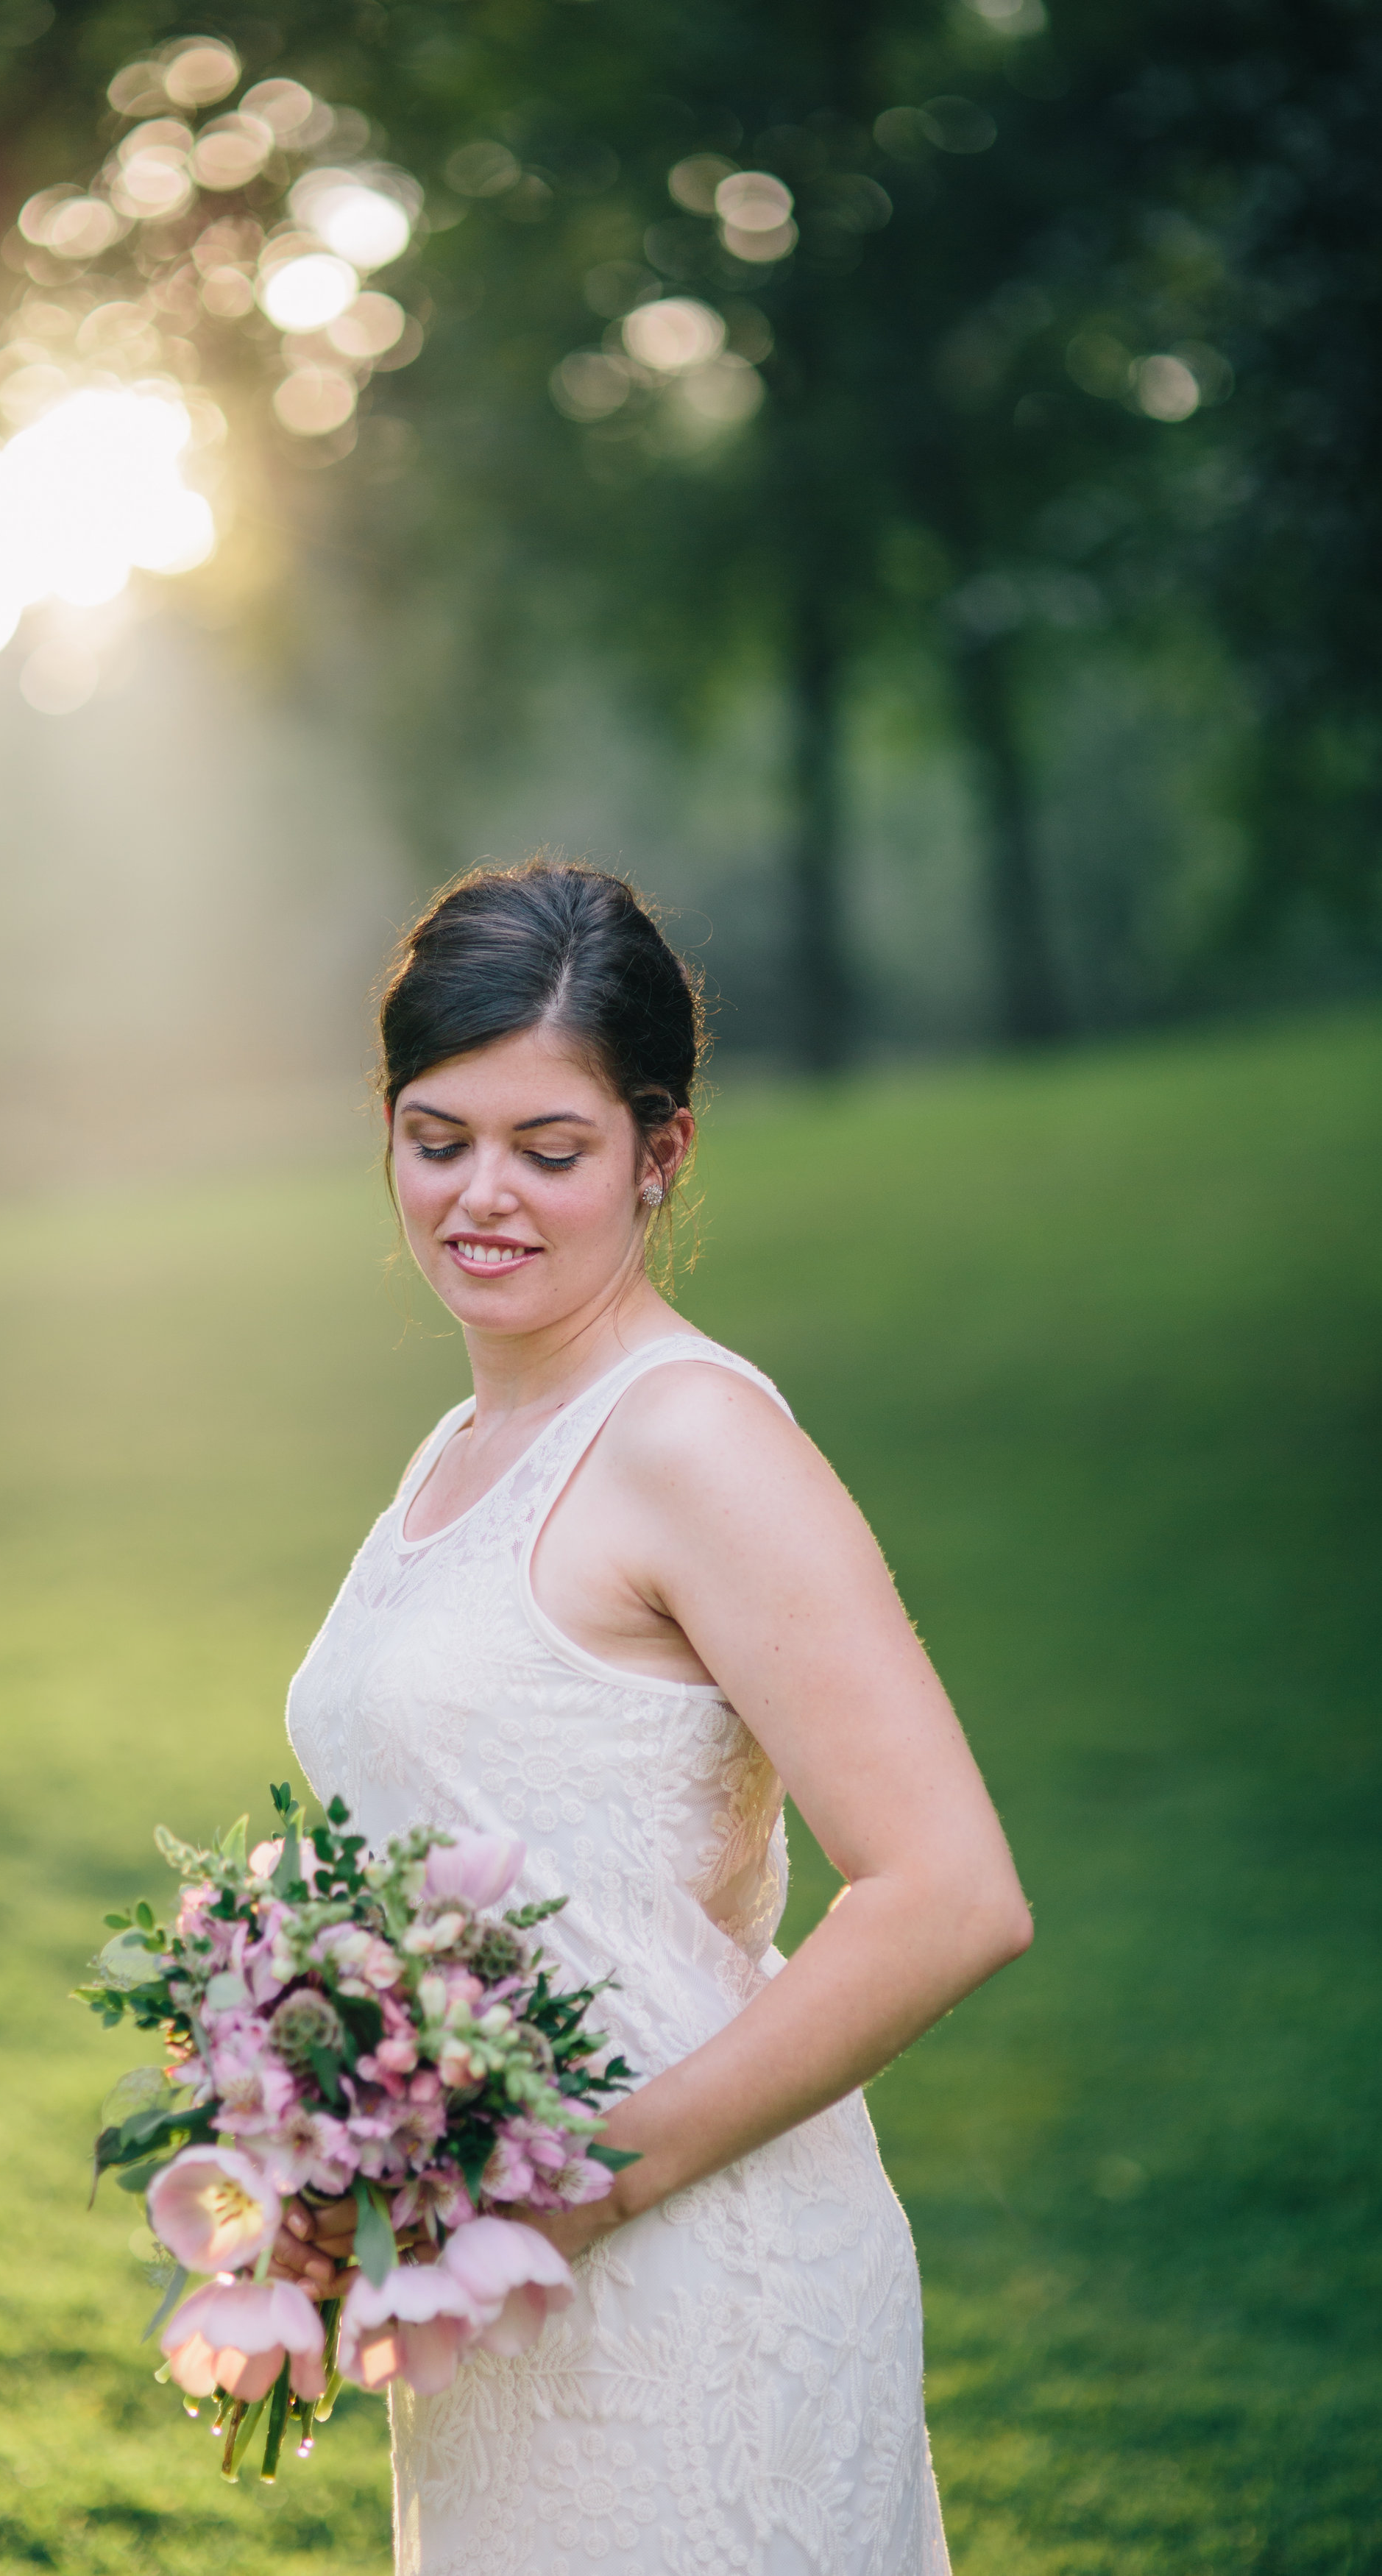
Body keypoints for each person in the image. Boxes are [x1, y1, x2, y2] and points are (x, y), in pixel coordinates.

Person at [278, 860, 1033, 2575]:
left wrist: (585, 2184)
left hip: (692, 2282)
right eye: (436, 1135)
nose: (483, 1195)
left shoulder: (695, 1441)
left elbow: (951, 1890)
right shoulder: (453, 1455)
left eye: (549, 1148)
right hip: (499, 2308)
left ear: (658, 1150)